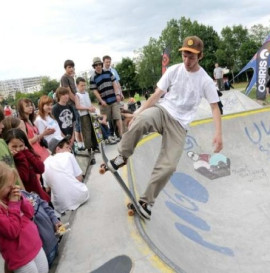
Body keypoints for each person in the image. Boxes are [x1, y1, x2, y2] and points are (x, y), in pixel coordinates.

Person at [108, 36, 223, 220]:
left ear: (200, 56)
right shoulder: (174, 70)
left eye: (192, 57)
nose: (187, 61)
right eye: (185, 55)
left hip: (179, 125)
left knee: (168, 166)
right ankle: (123, 155)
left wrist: (218, 134)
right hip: (163, 110)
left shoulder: (205, 81)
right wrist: (138, 112)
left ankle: (146, 201)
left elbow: (215, 107)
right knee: (142, 120)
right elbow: (156, 95)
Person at [0, 162, 49, 273]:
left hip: (34, 244)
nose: (13, 187)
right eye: (8, 185)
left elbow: (30, 213)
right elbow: (12, 230)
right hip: (20, 256)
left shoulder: (10, 196)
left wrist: (21, 200)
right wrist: (14, 204)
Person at [42, 136, 89, 214]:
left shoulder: (45, 163)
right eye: (67, 147)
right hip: (80, 197)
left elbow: (47, 189)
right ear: (58, 149)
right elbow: (79, 178)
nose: (69, 150)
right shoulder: (68, 155)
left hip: (60, 206)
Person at [3, 128, 50, 202]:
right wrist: (20, 158)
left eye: (21, 146)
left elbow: (40, 168)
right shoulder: (10, 162)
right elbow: (24, 177)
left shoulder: (26, 153)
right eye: (14, 146)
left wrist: (27, 153)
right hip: (28, 200)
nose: (18, 149)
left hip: (40, 196)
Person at [21, 190, 62, 268]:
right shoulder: (11, 209)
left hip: (54, 240)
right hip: (44, 252)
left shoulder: (22, 194)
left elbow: (42, 203)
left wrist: (54, 220)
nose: (14, 187)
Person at [90, 57, 123, 139]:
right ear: (94, 66)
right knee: (104, 120)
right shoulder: (92, 77)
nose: (98, 66)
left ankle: (122, 135)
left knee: (117, 117)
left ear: (101, 65)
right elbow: (94, 91)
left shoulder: (108, 72)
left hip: (113, 99)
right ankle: (108, 136)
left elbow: (114, 84)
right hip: (104, 102)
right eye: (96, 65)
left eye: (99, 64)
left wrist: (118, 94)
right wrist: (101, 100)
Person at [60, 60, 85, 150]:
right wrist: (77, 102)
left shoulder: (71, 77)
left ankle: (81, 144)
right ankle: (80, 144)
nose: (71, 69)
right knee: (77, 124)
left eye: (72, 67)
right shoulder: (64, 77)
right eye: (69, 67)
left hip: (75, 103)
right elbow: (69, 92)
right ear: (65, 68)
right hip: (71, 104)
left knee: (78, 124)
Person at [75, 77, 100, 158]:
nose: (83, 87)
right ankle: (89, 148)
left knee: (94, 130)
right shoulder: (77, 95)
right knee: (86, 132)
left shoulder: (87, 93)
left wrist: (92, 107)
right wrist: (87, 108)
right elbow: (78, 106)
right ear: (77, 86)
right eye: (81, 85)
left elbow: (89, 103)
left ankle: (95, 146)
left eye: (84, 85)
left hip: (91, 114)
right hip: (84, 115)